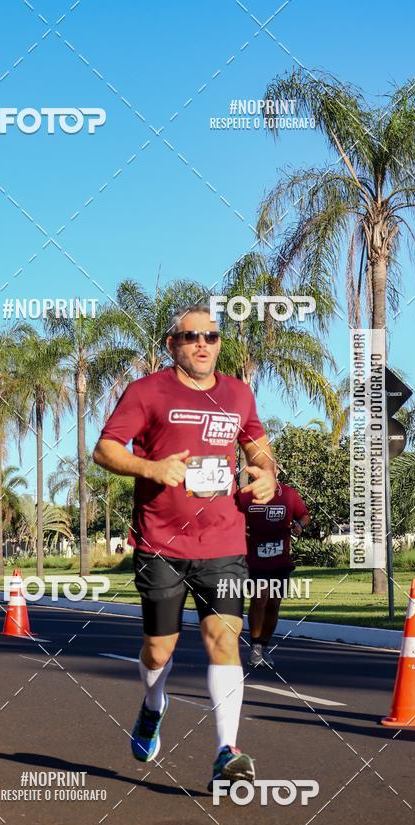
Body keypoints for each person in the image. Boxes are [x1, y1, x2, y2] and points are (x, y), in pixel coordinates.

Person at [93, 303, 276, 790]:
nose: (203, 343)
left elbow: (255, 441)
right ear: (172, 344)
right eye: (191, 336)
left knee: (223, 638)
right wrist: (150, 468)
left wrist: (266, 475)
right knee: (159, 649)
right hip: (161, 542)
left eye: (212, 336)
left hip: (222, 539)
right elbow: (105, 448)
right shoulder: (147, 391)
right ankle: (153, 707)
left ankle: (226, 751)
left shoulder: (238, 393)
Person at [237, 478, 310, 668]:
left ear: (276, 471)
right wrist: (239, 530)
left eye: (272, 468)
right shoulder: (244, 494)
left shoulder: (289, 494)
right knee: (259, 599)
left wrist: (299, 526)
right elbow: (228, 518)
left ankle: (264, 646)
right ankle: (255, 647)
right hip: (254, 560)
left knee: (273, 604)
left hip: (280, 561)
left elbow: (304, 515)